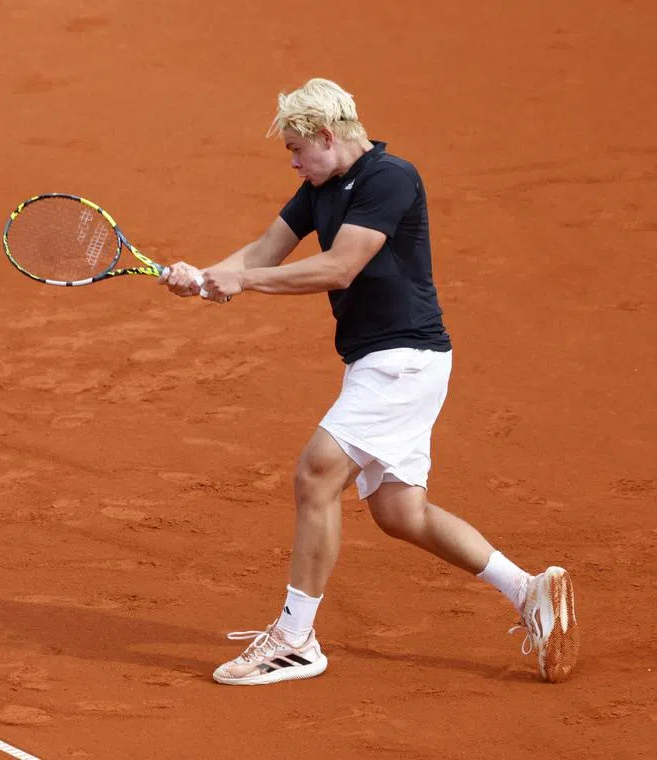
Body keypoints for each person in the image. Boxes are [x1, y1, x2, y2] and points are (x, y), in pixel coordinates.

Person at [159, 78, 578, 685]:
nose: (295, 163)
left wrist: (243, 284)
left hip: (402, 360)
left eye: (298, 149)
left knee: (315, 473)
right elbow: (262, 251)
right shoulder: (318, 188)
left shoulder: (390, 177)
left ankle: (295, 639)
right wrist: (200, 277)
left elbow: (341, 266)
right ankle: (530, 591)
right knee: (400, 512)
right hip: (384, 362)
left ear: (328, 136)